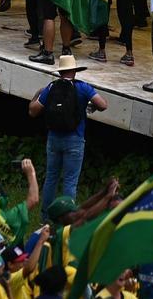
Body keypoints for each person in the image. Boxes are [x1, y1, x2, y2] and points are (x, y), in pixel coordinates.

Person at [27, 54, 107, 214]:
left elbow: (33, 111)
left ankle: (46, 218)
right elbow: (103, 105)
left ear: (60, 72)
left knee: (51, 178)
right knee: (70, 182)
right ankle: (66, 219)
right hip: (75, 139)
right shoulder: (83, 87)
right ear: (75, 71)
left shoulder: (51, 87)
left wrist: (37, 94)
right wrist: (90, 104)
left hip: (54, 138)